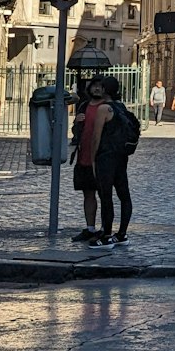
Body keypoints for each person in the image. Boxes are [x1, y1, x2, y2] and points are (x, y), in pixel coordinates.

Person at [88, 74, 133, 249]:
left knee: (106, 196)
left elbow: (96, 137)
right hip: (121, 158)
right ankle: (121, 234)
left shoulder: (103, 109)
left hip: (106, 158)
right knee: (124, 195)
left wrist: (92, 159)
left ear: (105, 90)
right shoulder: (121, 107)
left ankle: (106, 235)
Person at [69, 79, 105, 244]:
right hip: (84, 157)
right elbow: (76, 131)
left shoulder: (109, 106)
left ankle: (106, 229)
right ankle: (90, 228)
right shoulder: (84, 106)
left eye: (100, 86)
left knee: (105, 195)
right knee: (88, 194)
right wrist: (77, 122)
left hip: (103, 159)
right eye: (94, 85)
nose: (97, 88)